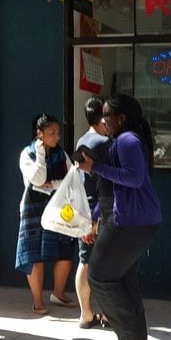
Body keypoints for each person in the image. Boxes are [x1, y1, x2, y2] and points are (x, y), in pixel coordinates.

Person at [77, 94, 161, 340]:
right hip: (135, 220)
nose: (103, 121)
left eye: (107, 116)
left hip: (130, 223)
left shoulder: (127, 141)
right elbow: (115, 189)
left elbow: (133, 178)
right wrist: (96, 217)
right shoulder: (124, 141)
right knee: (125, 280)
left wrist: (95, 167)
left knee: (98, 276)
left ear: (121, 119)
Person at [15, 113, 76, 313]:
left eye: (58, 132)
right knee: (35, 254)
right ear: (39, 134)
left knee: (65, 250)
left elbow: (73, 179)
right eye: (52, 133)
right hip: (34, 208)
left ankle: (58, 293)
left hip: (59, 207)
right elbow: (38, 180)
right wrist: (41, 155)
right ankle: (37, 300)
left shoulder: (61, 155)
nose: (57, 137)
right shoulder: (27, 154)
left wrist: (55, 184)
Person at [74, 97, 108, 328]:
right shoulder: (104, 144)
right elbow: (105, 183)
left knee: (84, 262)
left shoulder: (81, 141)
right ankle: (107, 314)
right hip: (99, 211)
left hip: (82, 210)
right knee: (107, 265)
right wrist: (96, 218)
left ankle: (85, 314)